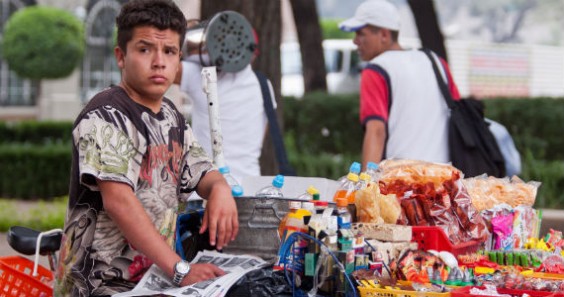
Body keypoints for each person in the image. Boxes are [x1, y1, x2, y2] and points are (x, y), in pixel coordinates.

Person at [54, 1, 239, 295]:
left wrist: (220, 190)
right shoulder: (104, 114)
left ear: (179, 59)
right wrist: (181, 270)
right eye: (144, 49)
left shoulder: (171, 116)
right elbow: (119, 202)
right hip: (99, 285)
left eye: (169, 51)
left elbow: (205, 173)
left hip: (150, 280)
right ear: (121, 56)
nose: (158, 61)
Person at [339, 0, 461, 168]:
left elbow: (376, 131)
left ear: (384, 35)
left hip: (400, 181)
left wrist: (366, 184)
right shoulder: (436, 62)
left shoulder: (376, 70)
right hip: (444, 180)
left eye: (361, 34)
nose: (355, 41)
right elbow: (457, 113)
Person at [174, 21, 275, 183]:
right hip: (249, 188)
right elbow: (259, 138)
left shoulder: (200, 75)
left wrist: (181, 34)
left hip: (205, 190)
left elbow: (161, 65)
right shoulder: (264, 85)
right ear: (253, 54)